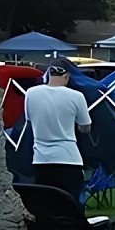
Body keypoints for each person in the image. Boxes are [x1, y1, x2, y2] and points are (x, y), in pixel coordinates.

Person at [26, 65, 91, 202]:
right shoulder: (76, 96)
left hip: (41, 159)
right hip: (68, 158)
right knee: (70, 204)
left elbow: (30, 120)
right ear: (66, 76)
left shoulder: (31, 93)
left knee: (46, 205)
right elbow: (85, 127)